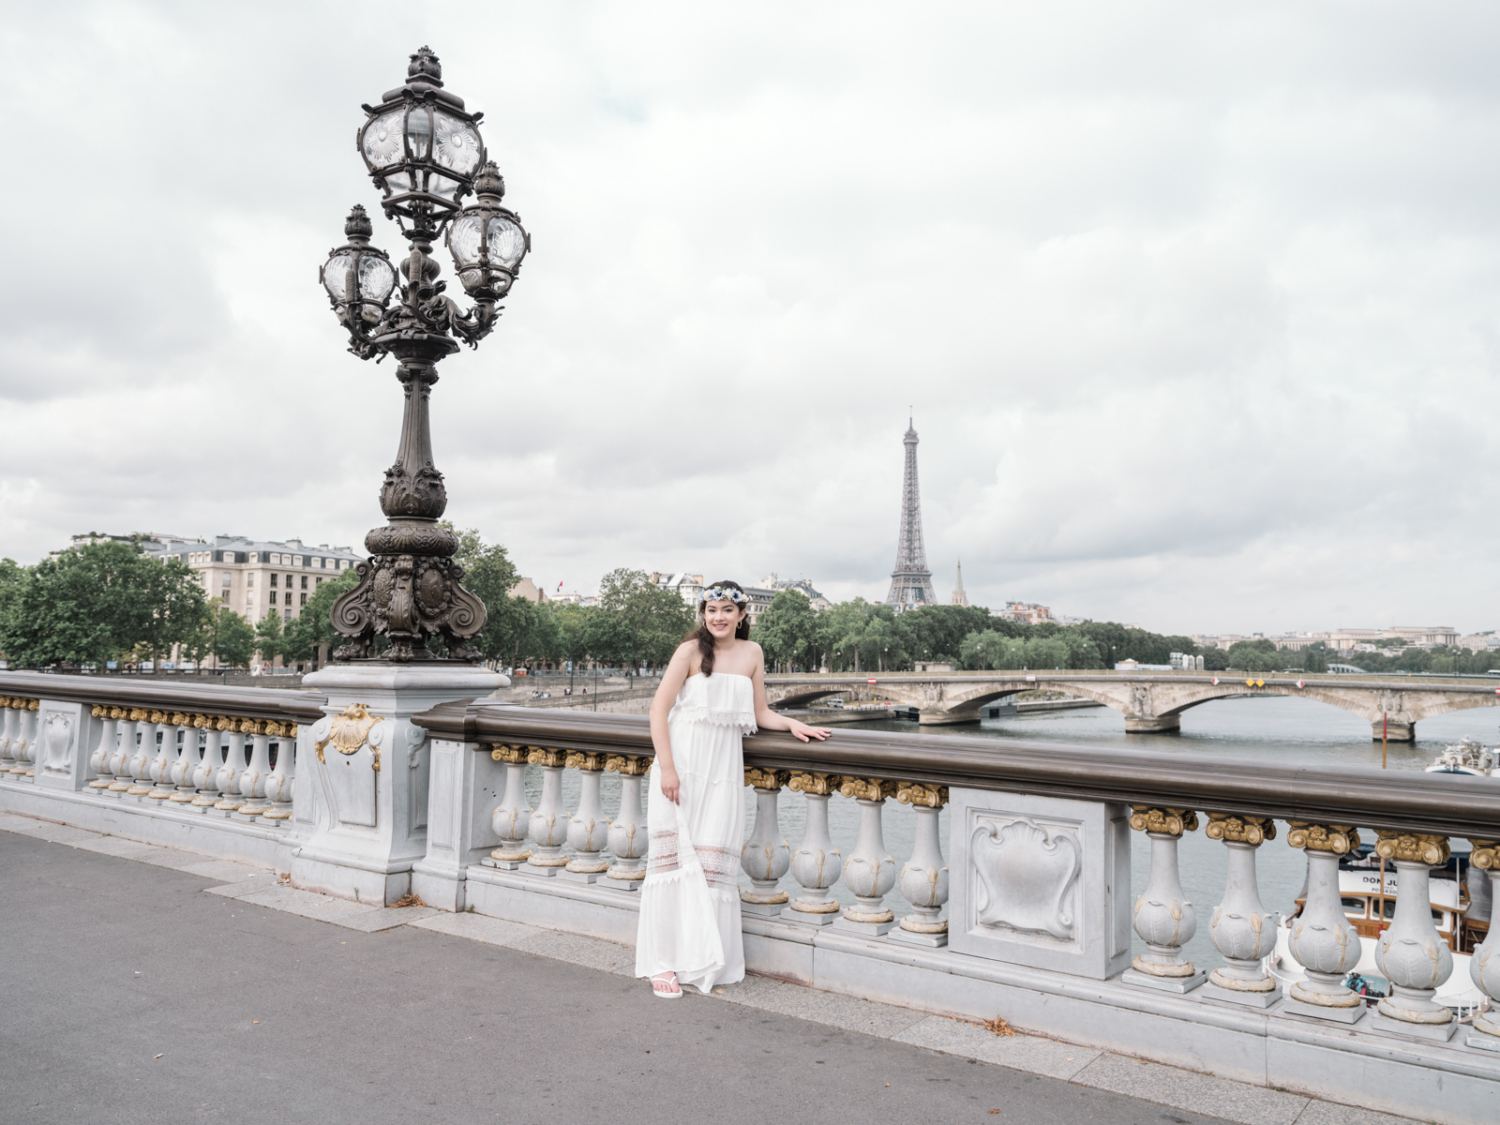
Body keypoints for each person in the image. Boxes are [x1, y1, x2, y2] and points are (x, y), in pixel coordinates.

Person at [635, 580, 831, 998]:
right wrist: (668, 769)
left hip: (723, 770)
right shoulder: (689, 652)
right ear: (703, 615)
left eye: (727, 609)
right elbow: (658, 709)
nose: (718, 617)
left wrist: (792, 723)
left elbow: (759, 712)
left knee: (709, 863)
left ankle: (701, 956)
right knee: (673, 865)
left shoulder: (753, 653)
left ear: (743, 616)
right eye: (711, 610)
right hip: (683, 767)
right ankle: (663, 963)